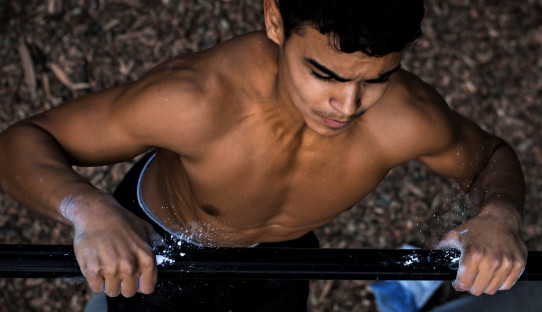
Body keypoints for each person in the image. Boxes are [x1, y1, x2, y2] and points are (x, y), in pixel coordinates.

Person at [0, 0, 528, 311]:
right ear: (275, 22)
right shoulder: (195, 102)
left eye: (376, 80)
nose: (347, 106)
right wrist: (86, 210)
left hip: (281, 260)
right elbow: (21, 143)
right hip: (158, 252)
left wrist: (499, 214)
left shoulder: (407, 116)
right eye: (324, 74)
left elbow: (488, 158)